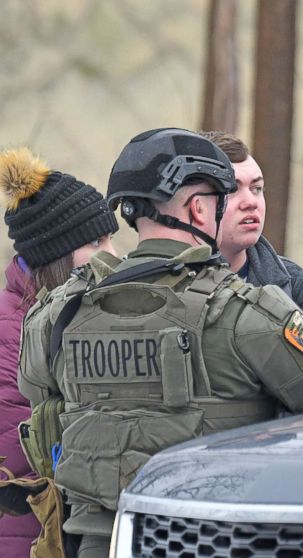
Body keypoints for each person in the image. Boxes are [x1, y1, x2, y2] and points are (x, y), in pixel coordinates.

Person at [17, 128, 303, 557]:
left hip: (96, 543)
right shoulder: (245, 312)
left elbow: (36, 393)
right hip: (215, 540)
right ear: (199, 209)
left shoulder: (59, 312)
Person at [0, 148, 117, 557]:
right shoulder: (12, 331)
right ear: (56, 253)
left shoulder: (67, 316)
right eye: (97, 241)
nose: (113, 254)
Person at [200, 131, 303, 336]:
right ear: (195, 203)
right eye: (233, 189)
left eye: (257, 188)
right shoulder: (165, 282)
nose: (251, 202)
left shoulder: (292, 281)